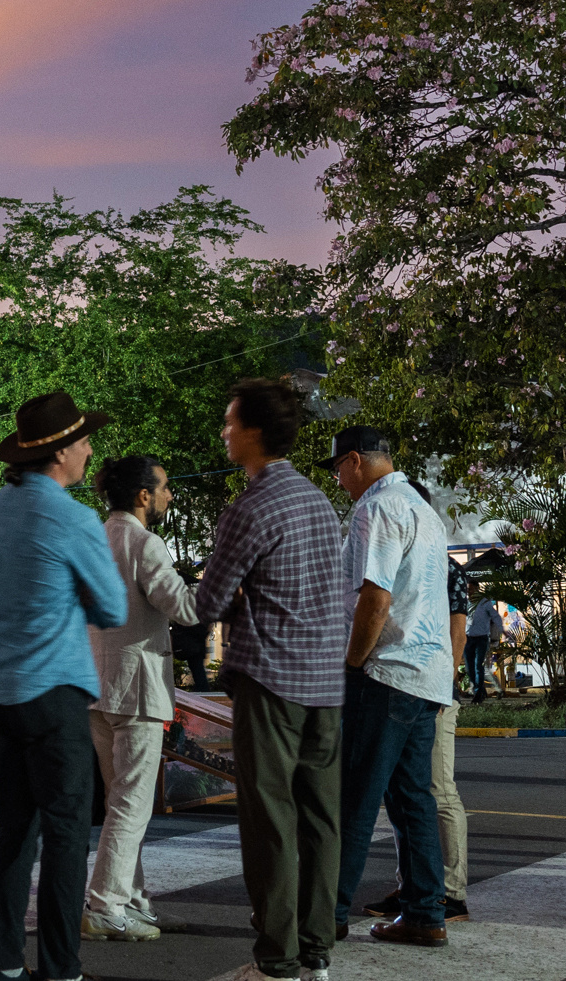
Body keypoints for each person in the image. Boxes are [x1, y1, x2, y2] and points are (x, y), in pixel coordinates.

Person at [0, 391, 129, 981]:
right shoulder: (71, 516)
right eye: (83, 440)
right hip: (54, 687)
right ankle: (61, 968)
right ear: (61, 452)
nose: (90, 450)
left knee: (14, 830)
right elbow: (112, 606)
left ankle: (5, 966)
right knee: (66, 833)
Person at [194, 379, 345, 981]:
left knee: (269, 822)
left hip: (271, 681)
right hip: (326, 686)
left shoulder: (251, 508)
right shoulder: (317, 501)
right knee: (320, 821)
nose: (224, 431)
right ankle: (317, 950)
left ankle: (277, 958)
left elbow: (209, 600)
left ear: (254, 432)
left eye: (230, 422)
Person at [321, 426, 453, 948]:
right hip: (426, 676)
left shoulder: (375, 509)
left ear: (355, 460)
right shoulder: (423, 509)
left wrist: (352, 664)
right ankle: (425, 912)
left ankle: (326, 913)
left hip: (386, 671)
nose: (337, 481)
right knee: (411, 798)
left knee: (354, 796)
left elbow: (374, 599)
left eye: (337, 470)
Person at [81, 455, 200, 944]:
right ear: (143, 495)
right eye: (165, 487)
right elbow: (186, 608)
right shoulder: (144, 543)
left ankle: (133, 902)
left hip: (98, 686)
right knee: (132, 805)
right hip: (137, 689)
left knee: (119, 802)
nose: (169, 495)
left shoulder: (93, 539)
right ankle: (105, 904)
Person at [366, 554, 472, 923]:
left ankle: (451, 893)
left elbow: (457, 630)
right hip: (400, 687)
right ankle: (413, 886)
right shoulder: (396, 561)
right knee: (403, 793)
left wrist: (446, 686)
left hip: (432, 692)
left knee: (438, 790)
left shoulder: (446, 568)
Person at [464, 589, 502, 702]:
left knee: (479, 666)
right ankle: (480, 690)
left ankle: (479, 693)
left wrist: (500, 631)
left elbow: (495, 617)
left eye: (472, 590)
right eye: (468, 590)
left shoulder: (485, 603)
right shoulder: (465, 603)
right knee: (469, 667)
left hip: (482, 638)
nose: (470, 593)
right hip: (468, 638)